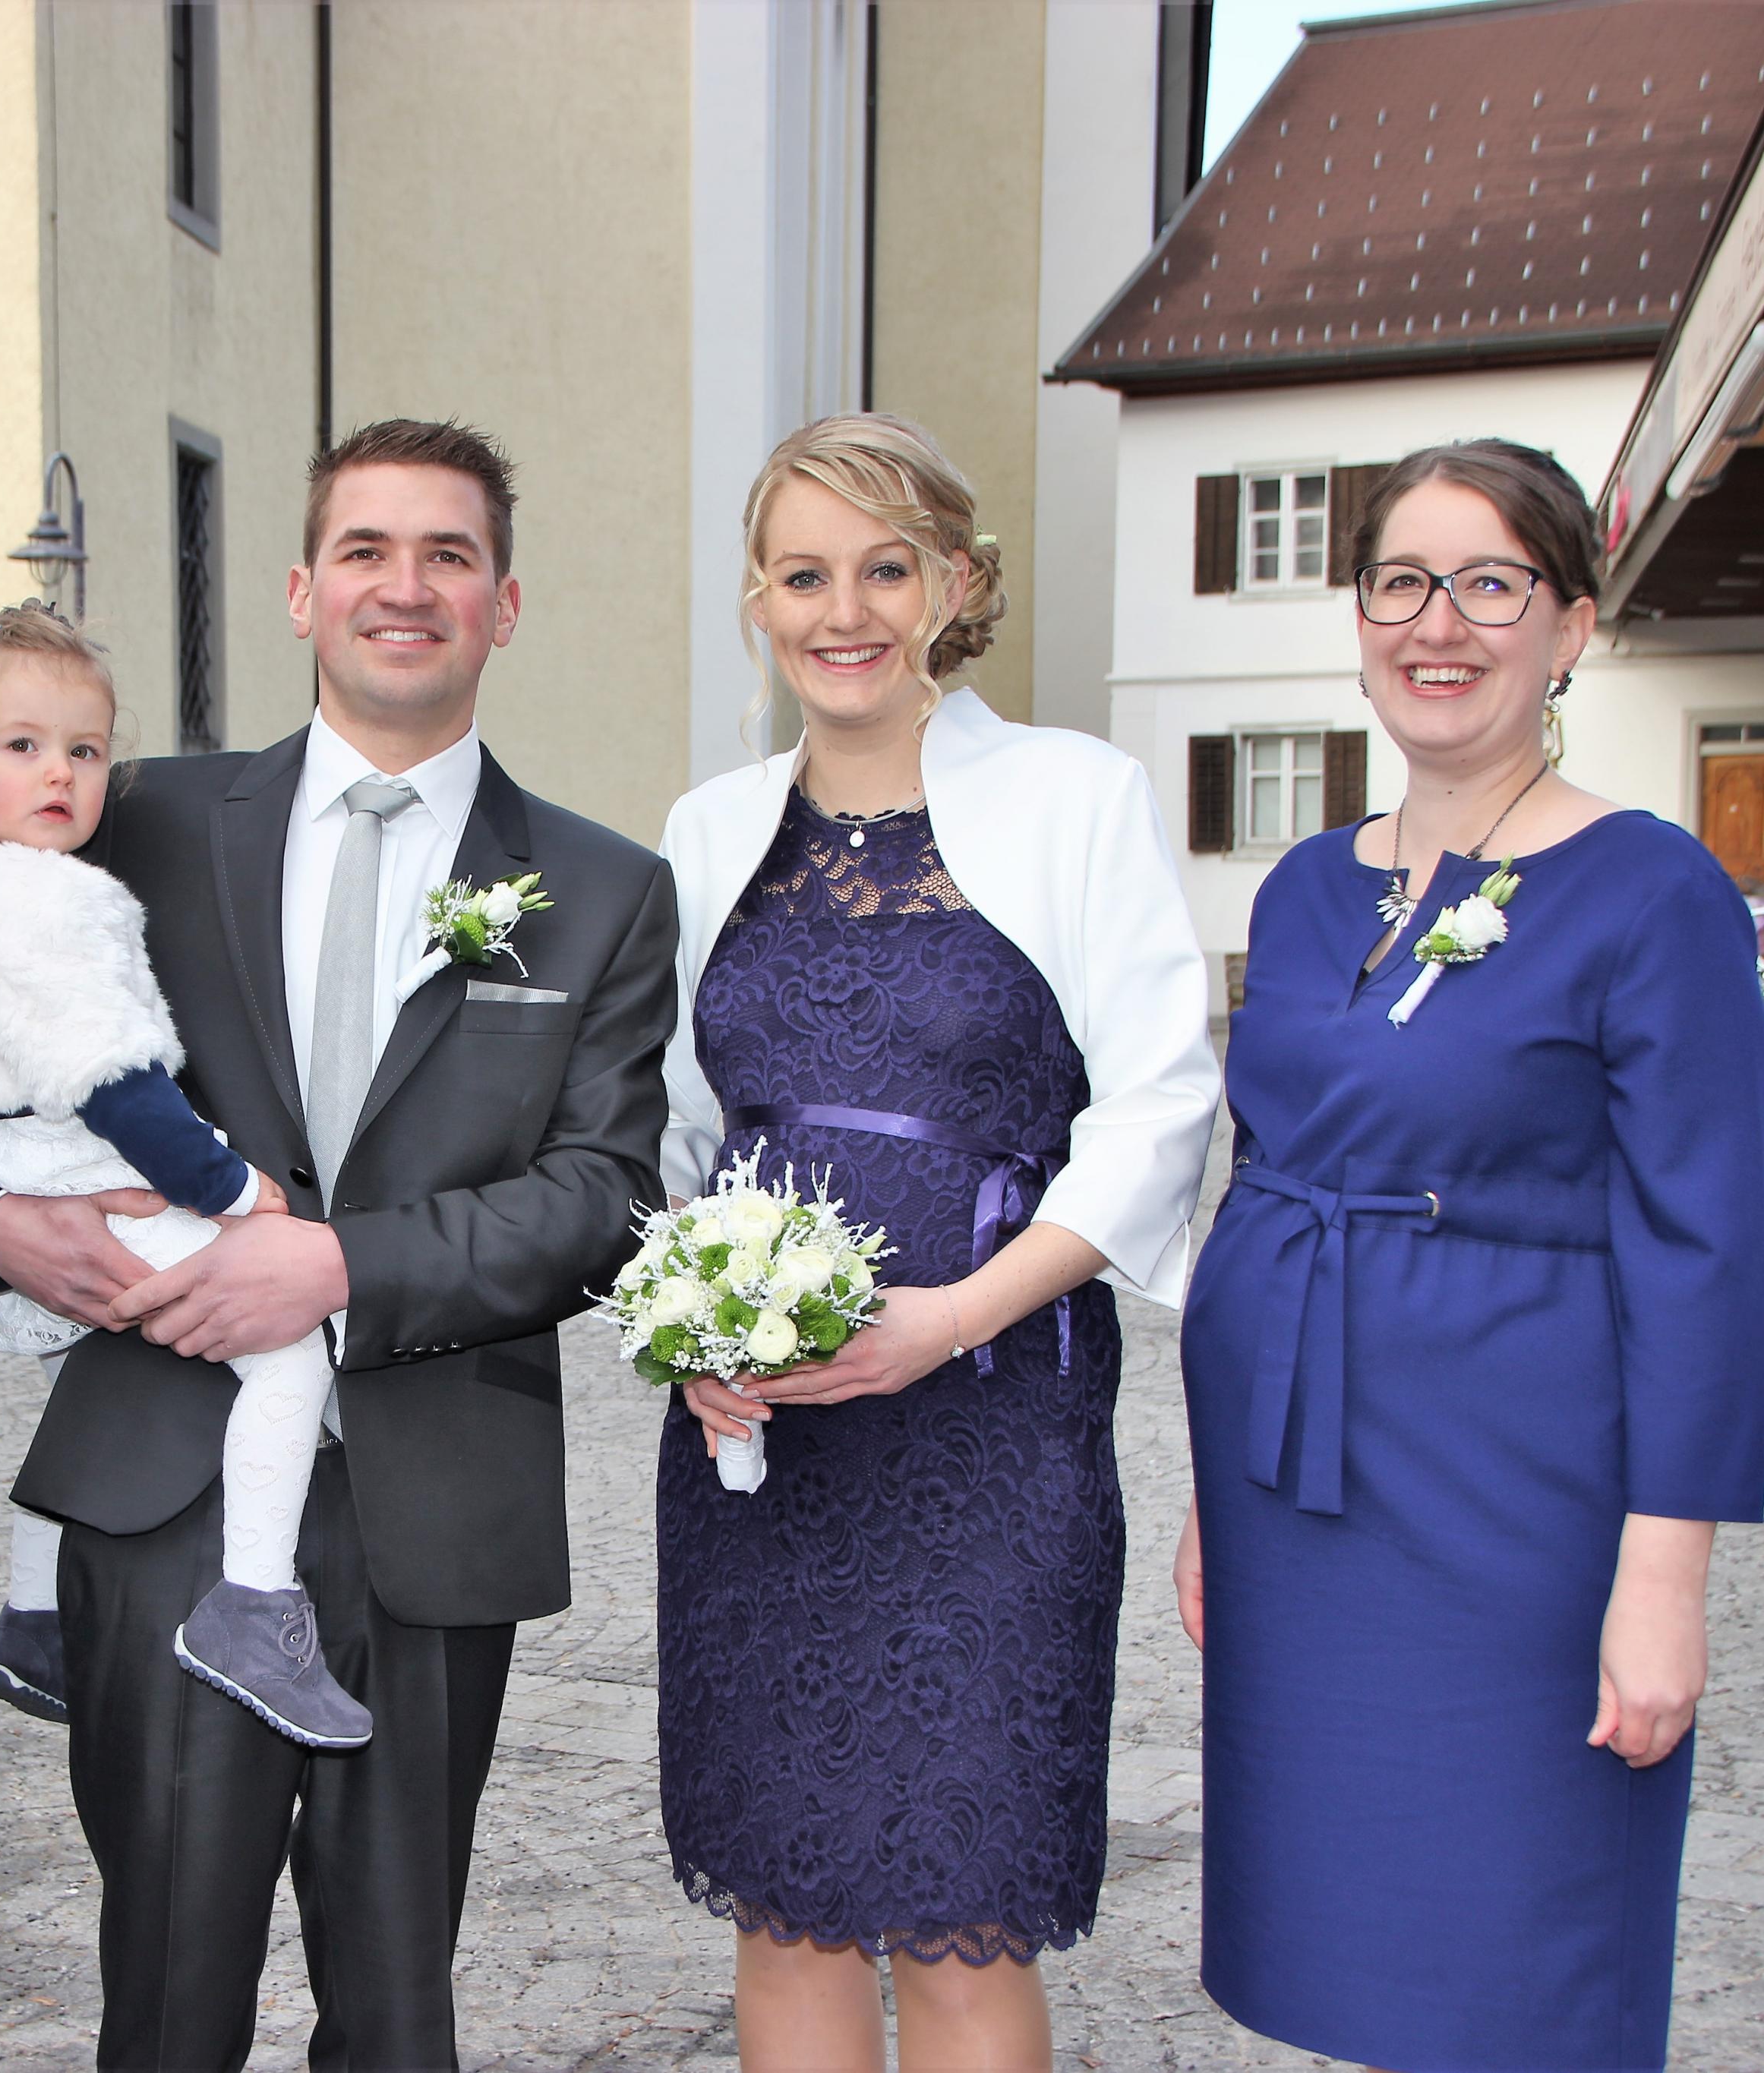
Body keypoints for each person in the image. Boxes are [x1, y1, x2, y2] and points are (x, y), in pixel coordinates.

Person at [0, 418, 679, 2070]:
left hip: (434, 1506)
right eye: (366, 550)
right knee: (167, 2000)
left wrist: (339, 1267)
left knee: (394, 2015)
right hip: (159, 1478)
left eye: (448, 554)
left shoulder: (601, 889)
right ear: (301, 591)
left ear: (504, 604)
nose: (406, 586)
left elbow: (603, 1198)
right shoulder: (133, 816)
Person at [1175, 438, 1764, 2071]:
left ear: (1570, 626)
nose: (1438, 623)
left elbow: (1700, 1254)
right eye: (1400, 583)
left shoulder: (1652, 892)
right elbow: (1265, 1177)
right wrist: (1216, 1486)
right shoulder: (1308, 886)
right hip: (1302, 1509)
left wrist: (1664, 1581)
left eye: (1490, 583)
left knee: (1519, 1960)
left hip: (1520, 1507)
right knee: (1348, 1959)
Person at [655, 413, 1219, 2073]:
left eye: (885, 569)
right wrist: (690, 1344)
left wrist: (953, 1313)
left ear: (956, 586)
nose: (844, 612)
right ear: (757, 600)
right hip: (767, 1457)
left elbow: (1160, 1105)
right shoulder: (706, 830)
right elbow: (673, 1131)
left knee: (962, 1919)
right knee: (787, 1911)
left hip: (991, 1426)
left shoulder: (1075, 797)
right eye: (803, 575)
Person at [0, 602, 373, 1751]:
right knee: (290, 1349)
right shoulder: (44, 899)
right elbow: (116, 1082)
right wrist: (232, 1189)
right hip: (77, 1163)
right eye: (24, 745)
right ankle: (253, 1606)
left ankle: (33, 1620)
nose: (60, 773)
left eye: (85, 750)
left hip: (1, 1154)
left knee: (86, 1383)